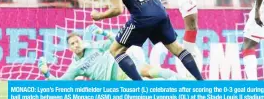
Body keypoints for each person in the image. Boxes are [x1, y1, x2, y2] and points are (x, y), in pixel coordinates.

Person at [38, 25, 186, 80]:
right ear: (69, 48)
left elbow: (114, 41)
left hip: (122, 64)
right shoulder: (75, 67)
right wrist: (46, 73)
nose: (77, 44)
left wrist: (103, 32)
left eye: (78, 41)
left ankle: (184, 82)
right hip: (114, 82)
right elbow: (61, 83)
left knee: (151, 72)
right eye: (73, 44)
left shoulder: (94, 46)